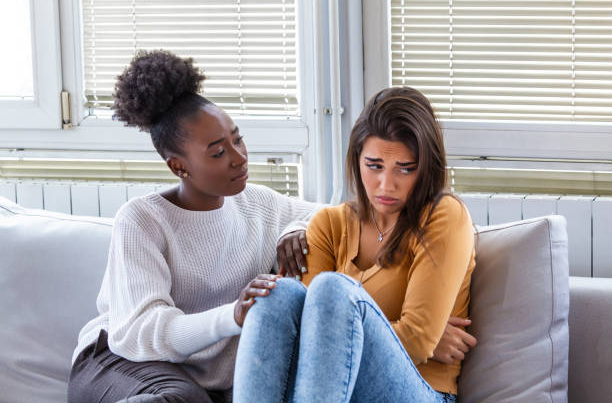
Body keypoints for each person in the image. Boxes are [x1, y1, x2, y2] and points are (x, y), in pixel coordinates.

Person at [67, 50, 321, 403]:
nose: (239, 157)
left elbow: (334, 215)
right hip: (118, 362)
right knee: (183, 399)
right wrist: (232, 315)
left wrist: (293, 229)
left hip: (200, 382)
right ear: (178, 167)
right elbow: (145, 331)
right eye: (218, 152)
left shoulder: (259, 203)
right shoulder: (142, 220)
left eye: (238, 138)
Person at [233, 86, 477, 402]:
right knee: (277, 295)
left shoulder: (443, 215)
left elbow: (417, 341)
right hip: (335, 388)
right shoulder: (329, 225)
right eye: (374, 165)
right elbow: (314, 337)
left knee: (333, 291)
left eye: (406, 168)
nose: (386, 185)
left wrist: (353, 333)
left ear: (427, 166)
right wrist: (386, 335)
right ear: (357, 159)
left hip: (423, 391)